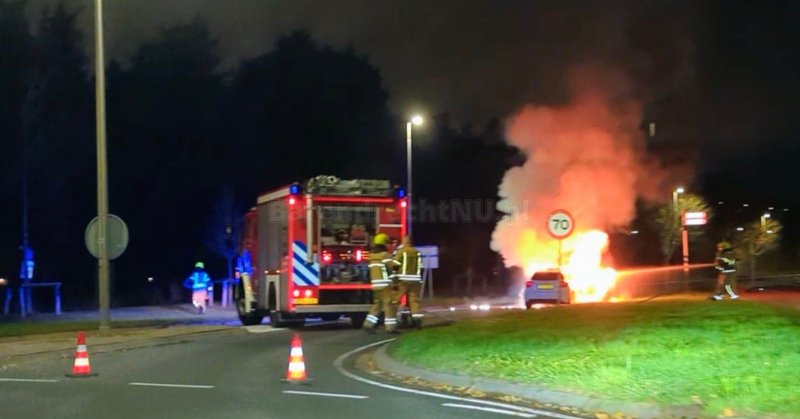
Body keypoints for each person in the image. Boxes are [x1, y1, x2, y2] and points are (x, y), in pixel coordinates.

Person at [363, 233, 399, 334]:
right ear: (384, 244)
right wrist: (395, 282)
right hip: (385, 285)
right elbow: (391, 268)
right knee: (389, 306)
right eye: (387, 243)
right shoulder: (385, 255)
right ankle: (390, 328)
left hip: (375, 286)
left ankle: (368, 324)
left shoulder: (372, 256)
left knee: (377, 306)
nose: (389, 245)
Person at [392, 235, 424, 328]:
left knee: (395, 300)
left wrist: (394, 278)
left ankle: (393, 320)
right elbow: (421, 267)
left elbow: (395, 265)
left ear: (404, 242)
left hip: (403, 281)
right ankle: (417, 321)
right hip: (415, 281)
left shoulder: (401, 252)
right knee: (414, 301)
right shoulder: (417, 252)